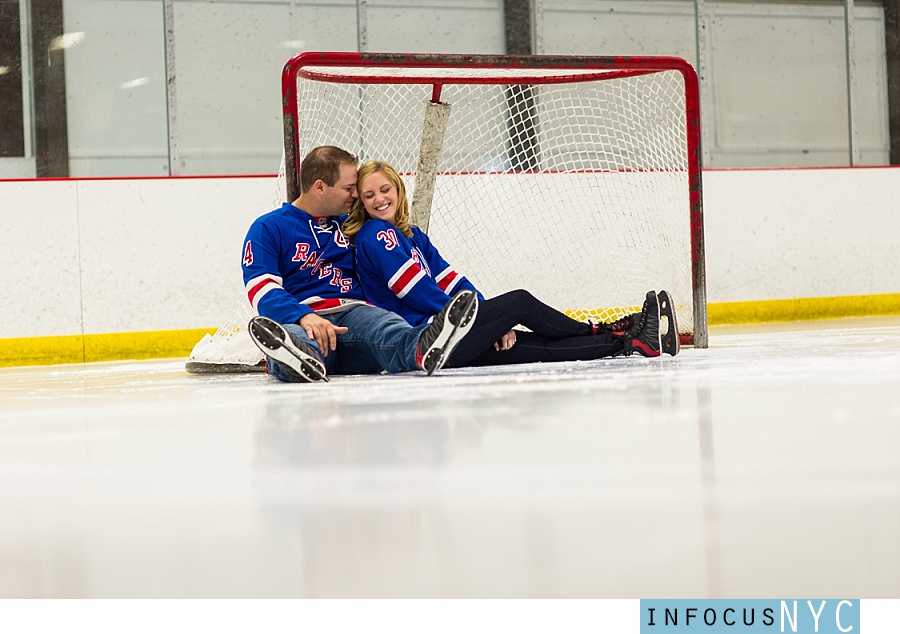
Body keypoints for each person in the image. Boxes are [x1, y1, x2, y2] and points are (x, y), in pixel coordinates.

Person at [342, 160, 680, 367]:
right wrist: (475, 319)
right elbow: (416, 290)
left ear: (398, 189)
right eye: (369, 195)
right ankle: (600, 328)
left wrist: (489, 318)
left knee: (535, 347)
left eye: (384, 189)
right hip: (429, 337)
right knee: (519, 302)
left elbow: (451, 280)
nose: (379, 199)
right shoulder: (375, 233)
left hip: (453, 339)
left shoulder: (412, 234)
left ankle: (631, 341)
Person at [241, 146, 478, 383]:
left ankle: (421, 348)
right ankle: (298, 359)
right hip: (306, 319)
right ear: (320, 187)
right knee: (294, 337)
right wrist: (303, 316)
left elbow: (401, 247)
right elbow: (261, 289)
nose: (356, 194)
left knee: (386, 326)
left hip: (355, 314)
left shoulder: (354, 226)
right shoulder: (268, 228)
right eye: (348, 188)